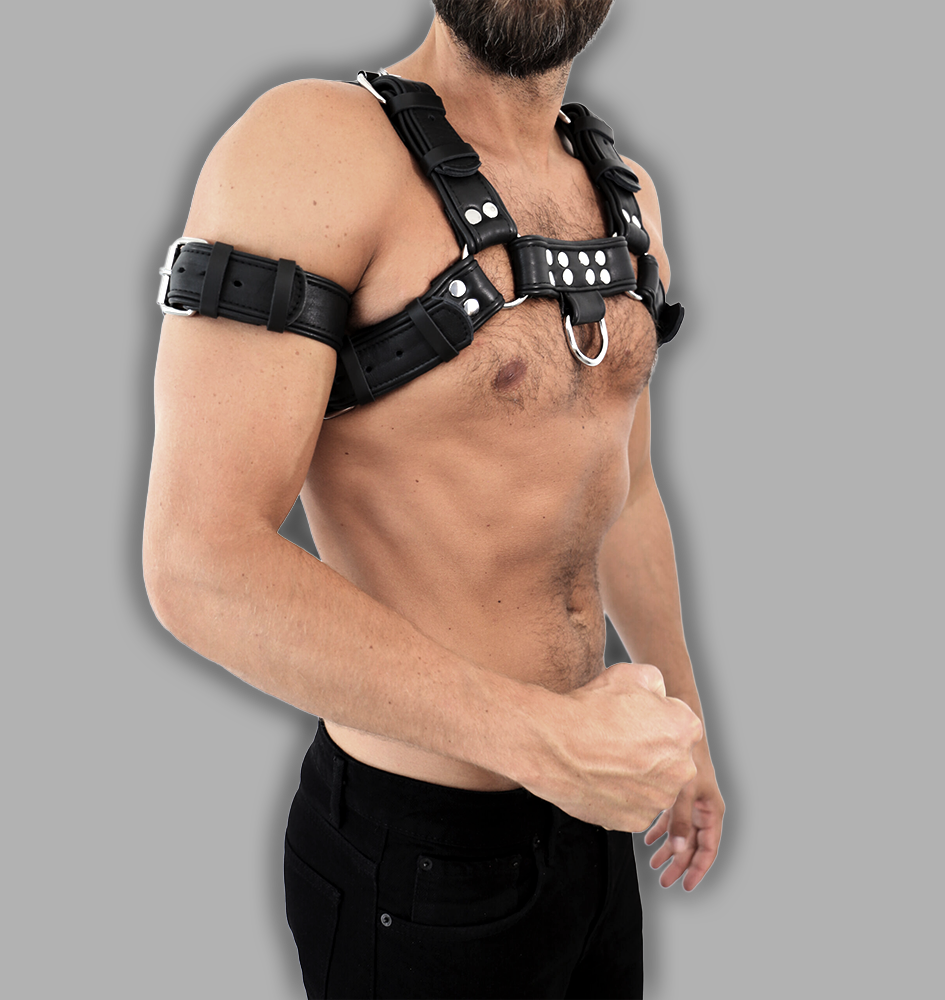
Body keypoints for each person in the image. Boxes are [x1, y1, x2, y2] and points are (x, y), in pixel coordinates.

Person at [143, 1, 724, 996]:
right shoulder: (312, 146)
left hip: (590, 821)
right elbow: (200, 561)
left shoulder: (626, 192)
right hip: (418, 858)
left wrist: (686, 721)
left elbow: (626, 491)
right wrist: (545, 742)